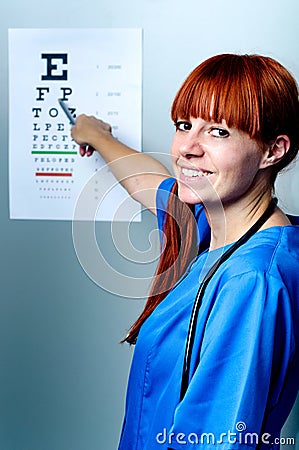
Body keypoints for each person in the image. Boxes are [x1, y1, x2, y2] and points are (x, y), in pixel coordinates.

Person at [71, 54, 299, 450]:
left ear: (272, 151)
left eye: (219, 132)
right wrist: (97, 134)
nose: (186, 149)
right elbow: (147, 181)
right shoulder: (214, 223)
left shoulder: (252, 282)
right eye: (184, 125)